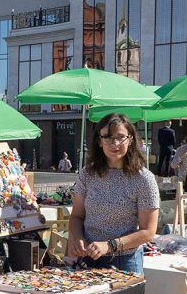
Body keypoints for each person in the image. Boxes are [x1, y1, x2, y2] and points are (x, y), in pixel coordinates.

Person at [66, 113, 160, 274]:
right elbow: (76, 216)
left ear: (130, 140)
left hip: (124, 261)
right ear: (99, 141)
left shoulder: (144, 179)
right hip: (87, 259)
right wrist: (78, 238)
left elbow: (148, 231)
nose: (114, 143)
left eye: (120, 137)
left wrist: (109, 245)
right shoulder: (87, 174)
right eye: (107, 137)